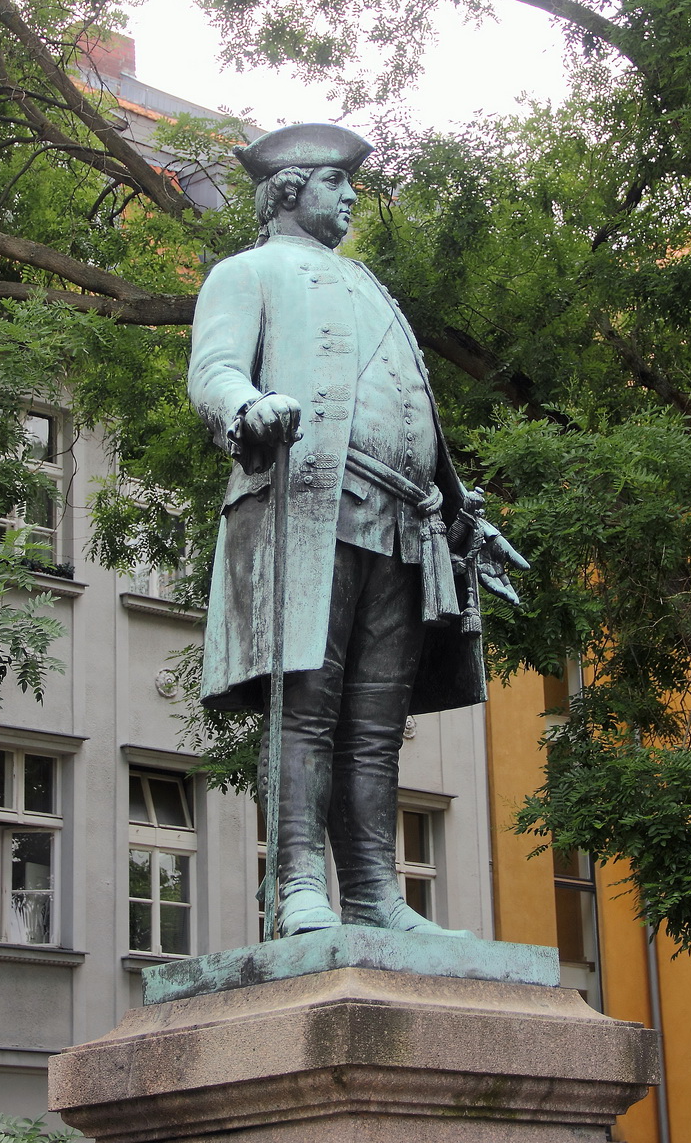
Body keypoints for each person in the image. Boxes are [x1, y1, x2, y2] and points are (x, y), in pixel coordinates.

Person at [188, 123, 526, 937]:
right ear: (293, 188)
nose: (351, 198)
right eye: (339, 183)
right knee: (306, 704)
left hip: (405, 524)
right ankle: (299, 882)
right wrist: (247, 407)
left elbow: (407, 403)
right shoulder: (247, 272)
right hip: (306, 508)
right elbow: (213, 370)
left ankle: (374, 894)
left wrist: (462, 508)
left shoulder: (370, 286)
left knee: (375, 728)